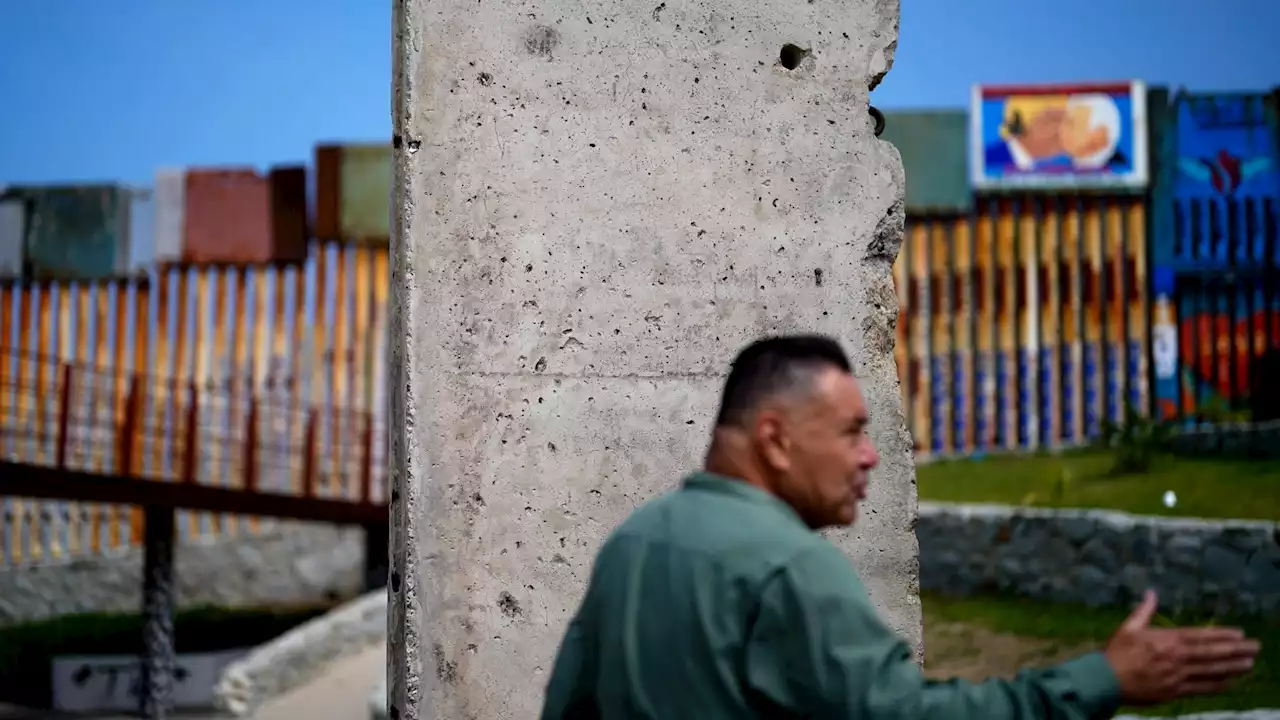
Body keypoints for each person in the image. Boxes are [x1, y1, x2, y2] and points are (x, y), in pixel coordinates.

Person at [540, 334, 1261, 719]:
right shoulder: (788, 567)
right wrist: (1101, 680)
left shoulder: (636, 541)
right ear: (775, 438)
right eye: (852, 430)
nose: (871, 454)